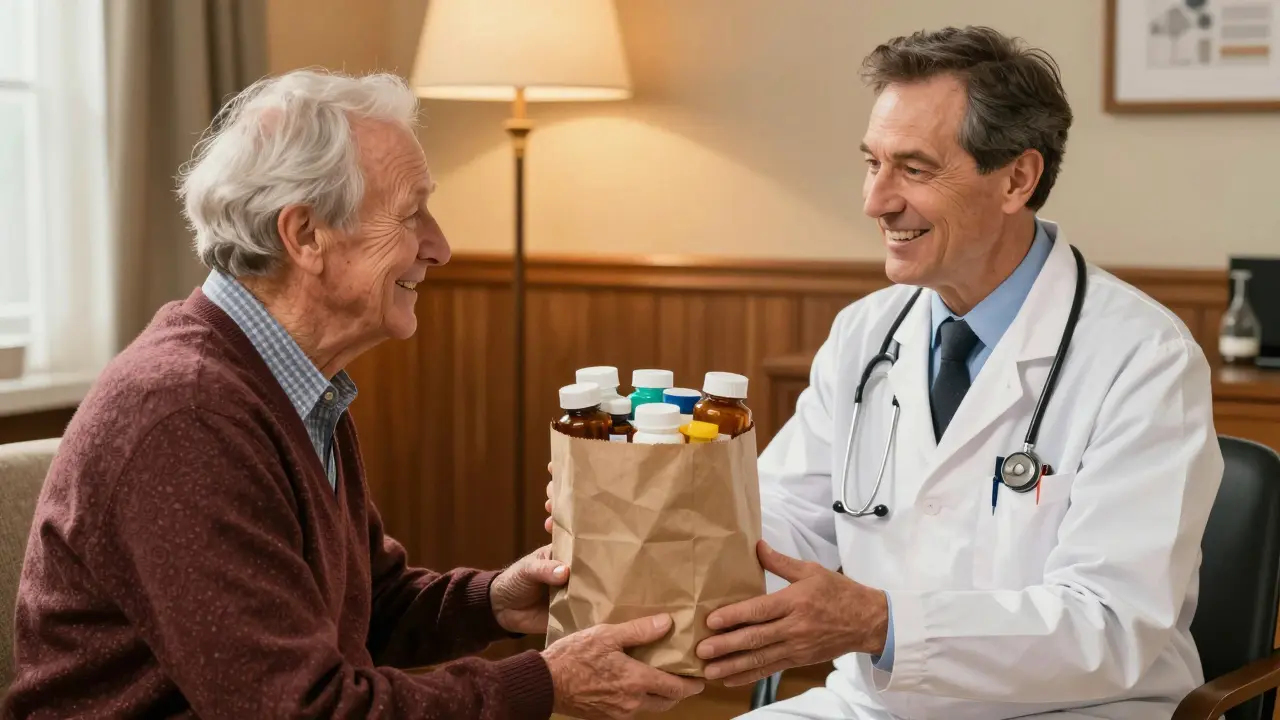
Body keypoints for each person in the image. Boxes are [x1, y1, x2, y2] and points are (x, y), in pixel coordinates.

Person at [4, 70, 704, 720]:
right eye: (412, 215)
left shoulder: (289, 382)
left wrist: (494, 602)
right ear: (305, 233)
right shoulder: (187, 416)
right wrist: (546, 682)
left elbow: (366, 608)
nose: (441, 246)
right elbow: (301, 709)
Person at [641, 26, 1220, 719]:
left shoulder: (1143, 358)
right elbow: (783, 521)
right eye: (872, 163)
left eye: (913, 169)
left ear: (1017, 178)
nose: (875, 200)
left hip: (1080, 710)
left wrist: (881, 625)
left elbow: (1112, 624)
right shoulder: (866, 332)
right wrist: (658, 522)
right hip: (876, 705)